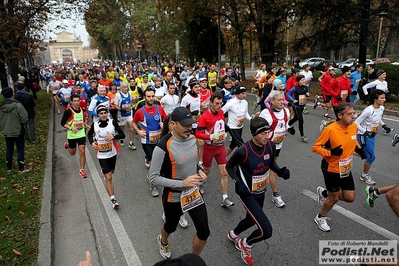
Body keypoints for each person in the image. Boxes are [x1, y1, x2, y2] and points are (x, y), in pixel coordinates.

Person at [225, 117, 290, 266]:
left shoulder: (270, 146)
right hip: (247, 193)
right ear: (254, 134)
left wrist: (279, 172)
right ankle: (245, 244)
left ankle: (233, 234)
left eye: (268, 132)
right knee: (266, 231)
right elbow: (229, 166)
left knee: (251, 219)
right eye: (263, 134)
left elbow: (270, 162)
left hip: (261, 191)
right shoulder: (243, 150)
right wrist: (237, 182)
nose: (267, 137)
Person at [149, 107, 210, 260]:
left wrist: (200, 170)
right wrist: (182, 183)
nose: (189, 128)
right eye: (185, 125)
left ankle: (193, 259)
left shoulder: (192, 138)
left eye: (191, 124)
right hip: (173, 196)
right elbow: (153, 178)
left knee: (204, 231)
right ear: (173, 124)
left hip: (193, 193)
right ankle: (163, 240)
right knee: (171, 227)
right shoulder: (162, 146)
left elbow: (193, 163)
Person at [312, 102, 365, 232]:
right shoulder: (330, 130)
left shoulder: (353, 127)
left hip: (346, 168)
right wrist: (331, 152)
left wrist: (359, 149)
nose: (353, 116)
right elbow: (316, 147)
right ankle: (320, 217)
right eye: (349, 114)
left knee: (350, 198)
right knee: (334, 198)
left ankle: (324, 193)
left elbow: (353, 139)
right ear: (340, 115)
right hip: (331, 169)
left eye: (354, 113)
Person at [195, 92, 234, 207]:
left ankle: (225, 198)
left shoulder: (221, 112)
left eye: (221, 103)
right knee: (206, 171)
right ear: (211, 103)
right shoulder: (204, 117)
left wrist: (223, 134)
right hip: (209, 148)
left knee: (224, 172)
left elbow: (221, 126)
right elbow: (198, 133)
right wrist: (210, 137)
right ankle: (198, 185)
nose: (219, 106)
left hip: (220, 148)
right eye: (216, 103)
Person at [87, 105, 125, 209]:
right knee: (108, 177)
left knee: (111, 172)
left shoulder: (112, 123)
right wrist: (92, 143)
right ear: (98, 115)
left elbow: (123, 135)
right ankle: (113, 199)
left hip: (112, 153)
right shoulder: (95, 125)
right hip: (102, 155)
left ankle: (106, 171)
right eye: (101, 113)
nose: (103, 115)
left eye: (105, 113)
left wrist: (114, 136)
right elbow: (89, 135)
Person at [132, 87, 167, 196]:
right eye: (149, 96)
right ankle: (153, 185)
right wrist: (138, 131)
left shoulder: (159, 108)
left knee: (162, 161)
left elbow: (166, 120)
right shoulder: (140, 112)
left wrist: (164, 126)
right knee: (153, 163)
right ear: (144, 97)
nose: (151, 98)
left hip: (159, 140)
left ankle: (155, 175)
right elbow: (133, 123)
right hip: (146, 141)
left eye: (153, 96)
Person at [355, 89, 394, 185]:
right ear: (375, 99)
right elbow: (356, 123)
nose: (384, 99)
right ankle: (364, 176)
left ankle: (349, 150)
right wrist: (366, 132)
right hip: (364, 135)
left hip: (372, 135)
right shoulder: (368, 110)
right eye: (382, 98)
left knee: (365, 154)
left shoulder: (381, 108)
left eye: (384, 97)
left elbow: (378, 119)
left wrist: (384, 125)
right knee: (371, 156)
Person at [259, 90, 290, 208]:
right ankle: (276, 194)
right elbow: (259, 130)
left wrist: (289, 128)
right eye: (280, 100)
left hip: (278, 146)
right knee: (268, 169)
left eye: (283, 99)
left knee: (270, 168)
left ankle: (273, 194)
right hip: (266, 147)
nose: (283, 102)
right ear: (272, 101)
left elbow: (285, 124)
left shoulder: (286, 111)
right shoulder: (266, 113)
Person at [0, 87, 29, 173]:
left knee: (9, 149)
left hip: (6, 131)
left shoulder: (1, 106)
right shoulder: (17, 105)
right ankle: (21, 168)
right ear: (13, 94)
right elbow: (24, 118)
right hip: (18, 130)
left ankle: (9, 168)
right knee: (20, 149)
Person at [61, 94, 90, 178]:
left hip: (81, 133)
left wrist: (86, 125)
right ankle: (68, 145)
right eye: (75, 101)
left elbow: (82, 120)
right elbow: (62, 123)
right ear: (71, 102)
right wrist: (71, 128)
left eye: (78, 101)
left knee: (82, 151)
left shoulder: (81, 109)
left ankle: (82, 170)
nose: (77, 103)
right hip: (72, 135)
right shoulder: (68, 111)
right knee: (73, 153)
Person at [221, 87, 251, 156]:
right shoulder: (230, 103)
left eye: (245, 93)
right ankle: (237, 162)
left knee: (233, 144)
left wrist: (251, 119)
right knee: (242, 145)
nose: (245, 95)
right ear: (237, 94)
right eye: (242, 93)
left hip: (240, 126)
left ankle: (223, 157)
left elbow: (246, 113)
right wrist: (222, 123)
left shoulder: (245, 102)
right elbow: (221, 112)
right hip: (232, 127)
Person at [286, 74, 310, 143]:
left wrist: (308, 93)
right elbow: (288, 94)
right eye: (302, 80)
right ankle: (302, 136)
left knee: (295, 118)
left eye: (304, 79)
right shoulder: (295, 88)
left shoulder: (305, 87)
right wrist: (293, 100)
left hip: (302, 105)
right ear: (298, 81)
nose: (303, 81)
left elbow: (307, 92)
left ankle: (286, 126)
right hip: (296, 106)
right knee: (301, 120)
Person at [114, 81, 137, 150]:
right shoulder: (118, 95)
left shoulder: (129, 93)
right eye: (124, 87)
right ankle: (121, 138)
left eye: (127, 87)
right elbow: (115, 105)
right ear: (121, 88)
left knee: (131, 127)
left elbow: (131, 103)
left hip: (129, 114)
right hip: (121, 114)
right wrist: (121, 109)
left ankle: (131, 142)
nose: (126, 88)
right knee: (122, 129)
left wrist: (133, 103)